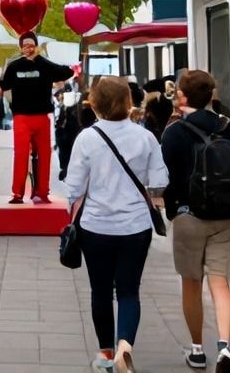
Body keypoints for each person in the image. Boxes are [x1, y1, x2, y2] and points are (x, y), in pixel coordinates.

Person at [65, 77, 169, 373]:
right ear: (128, 102)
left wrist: (71, 210)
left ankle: (105, 353)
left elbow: (74, 186)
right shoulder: (145, 137)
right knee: (129, 290)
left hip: (96, 225)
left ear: (95, 104)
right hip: (135, 226)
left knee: (100, 291)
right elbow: (160, 181)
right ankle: (125, 346)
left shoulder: (86, 138)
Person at [162, 69, 230, 373]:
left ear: (182, 95)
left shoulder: (174, 131)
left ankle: (197, 349)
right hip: (226, 216)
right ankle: (224, 347)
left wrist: (171, 209)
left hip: (189, 216)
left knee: (191, 282)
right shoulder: (227, 127)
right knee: (220, 283)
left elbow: (165, 176)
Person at [0, 32, 71, 204]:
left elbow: (66, 72)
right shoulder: (14, 66)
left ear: (36, 46)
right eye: (25, 45)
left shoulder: (44, 64)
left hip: (41, 117)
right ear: (20, 47)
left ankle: (43, 192)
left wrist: (45, 59)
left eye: (31, 45)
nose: (28, 49)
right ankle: (17, 193)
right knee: (21, 154)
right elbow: (4, 84)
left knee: (45, 155)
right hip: (21, 117)